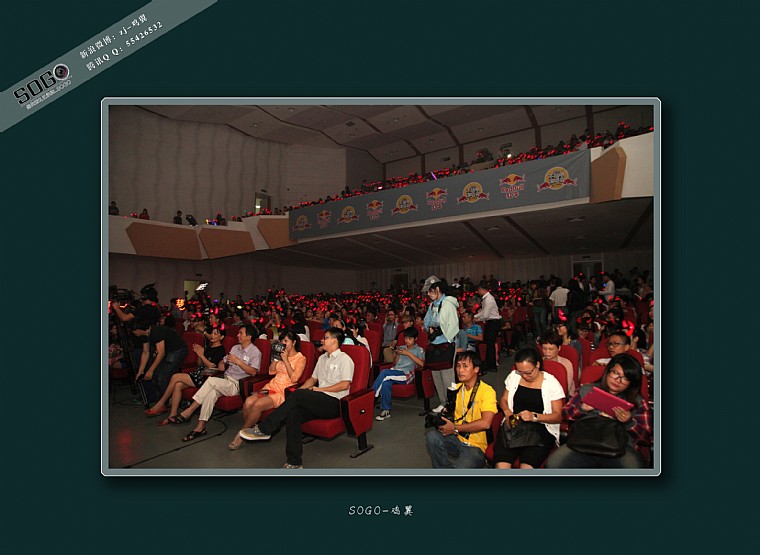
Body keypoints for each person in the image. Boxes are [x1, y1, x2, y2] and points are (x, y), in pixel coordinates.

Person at [238, 327, 354, 469]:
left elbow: (345, 384)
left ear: (335, 341)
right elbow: (312, 379)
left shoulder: (344, 359)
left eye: (326, 338)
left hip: (335, 403)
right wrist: (301, 391)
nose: (322, 340)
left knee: (298, 395)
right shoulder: (322, 358)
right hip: (319, 399)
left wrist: (319, 390)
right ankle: (294, 462)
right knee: (294, 414)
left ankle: (266, 428)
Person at [547, 354, 652, 469]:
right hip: (583, 443)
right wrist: (582, 409)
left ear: (632, 382)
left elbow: (645, 437)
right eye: (615, 373)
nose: (618, 380)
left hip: (621, 449)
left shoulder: (637, 401)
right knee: (554, 464)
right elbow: (565, 415)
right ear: (608, 371)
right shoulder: (587, 390)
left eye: (625, 378)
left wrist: (629, 422)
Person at [172, 325, 262, 441]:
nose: (237, 335)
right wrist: (221, 364)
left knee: (211, 381)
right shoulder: (235, 348)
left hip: (237, 384)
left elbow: (253, 372)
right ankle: (200, 427)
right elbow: (223, 360)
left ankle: (189, 411)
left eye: (241, 333)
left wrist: (238, 362)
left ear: (249, 337)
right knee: (211, 394)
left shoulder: (255, 352)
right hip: (225, 380)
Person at [228, 330, 306, 450]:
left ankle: (241, 435)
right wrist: (276, 359)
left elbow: (294, 378)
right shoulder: (280, 354)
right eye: (282, 341)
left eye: (286, 341)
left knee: (258, 404)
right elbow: (271, 371)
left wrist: (286, 360)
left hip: (284, 390)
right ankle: (251, 431)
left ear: (294, 342)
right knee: (248, 402)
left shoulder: (300, 358)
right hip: (272, 386)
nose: (283, 344)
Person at [494, 348, 564, 469]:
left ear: (537, 365)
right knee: (502, 464)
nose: (524, 376)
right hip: (514, 424)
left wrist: (534, 417)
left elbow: (558, 416)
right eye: (520, 372)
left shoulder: (551, 383)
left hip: (540, 428)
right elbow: (503, 400)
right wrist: (507, 413)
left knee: (527, 465)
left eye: (528, 372)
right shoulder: (514, 376)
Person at [424, 351, 497, 469]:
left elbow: (486, 423)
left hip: (475, 446)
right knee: (432, 436)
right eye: (458, 366)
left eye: (465, 366)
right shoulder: (456, 389)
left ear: (476, 369)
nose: (460, 370)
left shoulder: (487, 391)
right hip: (457, 438)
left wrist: (455, 428)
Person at [146, 328, 227, 420]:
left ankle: (161, 403)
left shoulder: (221, 349)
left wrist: (201, 355)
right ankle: (172, 414)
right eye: (212, 333)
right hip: (199, 372)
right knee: (178, 385)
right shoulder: (209, 347)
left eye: (215, 334)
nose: (212, 335)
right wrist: (199, 354)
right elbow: (199, 364)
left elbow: (212, 366)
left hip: (206, 376)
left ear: (221, 337)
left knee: (175, 377)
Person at [421, 276, 460, 414]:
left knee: (447, 376)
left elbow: (451, 326)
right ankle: (443, 402)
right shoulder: (432, 305)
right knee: (436, 375)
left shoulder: (448, 303)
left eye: (430, 291)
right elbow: (426, 322)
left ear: (437, 289)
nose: (428, 294)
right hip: (434, 344)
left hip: (446, 344)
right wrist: (431, 327)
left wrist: (435, 326)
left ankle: (452, 404)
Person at [372, 327, 425, 421]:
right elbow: (395, 363)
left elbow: (422, 364)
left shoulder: (419, 350)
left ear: (415, 339)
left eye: (410, 339)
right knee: (386, 383)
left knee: (384, 373)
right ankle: (386, 410)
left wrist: (408, 353)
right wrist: (397, 354)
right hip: (396, 371)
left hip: (407, 374)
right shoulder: (402, 348)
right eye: (406, 338)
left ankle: (371, 397)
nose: (407, 341)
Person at [132, 319, 189, 405]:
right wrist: (141, 371)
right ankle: (167, 398)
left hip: (177, 350)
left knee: (162, 376)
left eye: (133, 331)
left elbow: (161, 353)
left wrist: (150, 370)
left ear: (137, 329)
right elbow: (145, 352)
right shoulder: (145, 336)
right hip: (167, 352)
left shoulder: (156, 332)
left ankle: (167, 401)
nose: (133, 333)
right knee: (156, 374)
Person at [474, 281, 501, 373]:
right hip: (492, 322)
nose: (478, 292)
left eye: (478, 290)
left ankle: (492, 365)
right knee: (489, 344)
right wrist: (474, 316)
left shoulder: (488, 299)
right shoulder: (487, 298)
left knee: (490, 344)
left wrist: (477, 319)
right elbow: (483, 312)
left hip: (493, 322)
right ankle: (490, 364)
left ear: (481, 289)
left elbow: (485, 315)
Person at [539, 330, 575, 396]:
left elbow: (566, 388)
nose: (547, 352)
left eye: (551, 349)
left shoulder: (566, 364)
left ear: (559, 348)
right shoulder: (539, 363)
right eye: (544, 348)